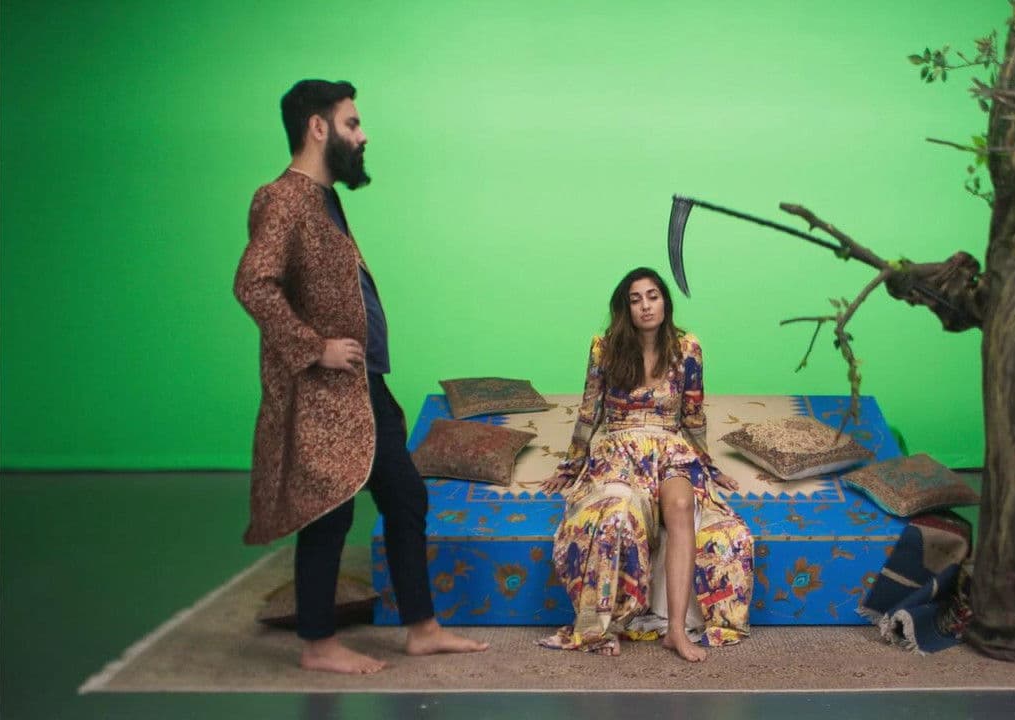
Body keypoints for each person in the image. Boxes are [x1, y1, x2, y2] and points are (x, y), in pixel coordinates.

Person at [233, 79, 487, 675]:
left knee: (406, 496)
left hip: (363, 384)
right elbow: (253, 283)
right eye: (352, 123)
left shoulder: (323, 199)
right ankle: (318, 644)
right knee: (331, 512)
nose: (363, 134)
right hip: (324, 390)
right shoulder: (282, 199)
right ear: (318, 128)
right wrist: (314, 348)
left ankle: (421, 629)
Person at [538, 267, 754, 662]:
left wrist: (708, 464)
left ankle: (676, 632)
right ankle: (608, 621)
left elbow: (693, 414)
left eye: (653, 296)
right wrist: (570, 466)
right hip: (619, 447)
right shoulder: (605, 348)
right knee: (617, 512)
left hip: (670, 447)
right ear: (626, 308)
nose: (646, 306)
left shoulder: (687, 348)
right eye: (635, 299)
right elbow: (589, 411)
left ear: (665, 302)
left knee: (682, 505)